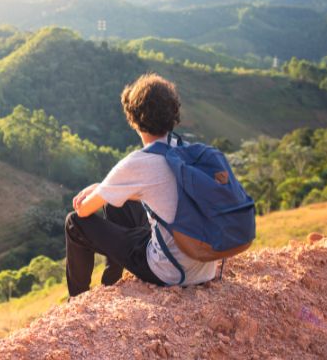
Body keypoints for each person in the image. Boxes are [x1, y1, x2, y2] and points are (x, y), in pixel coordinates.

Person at [64, 73, 217, 297]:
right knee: (119, 202)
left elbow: (83, 210)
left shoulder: (137, 163)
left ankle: (76, 302)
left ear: (133, 120)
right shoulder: (186, 150)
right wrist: (104, 188)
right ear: (174, 113)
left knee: (73, 224)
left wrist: (99, 191)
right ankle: (111, 283)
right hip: (204, 267)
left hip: (170, 271)